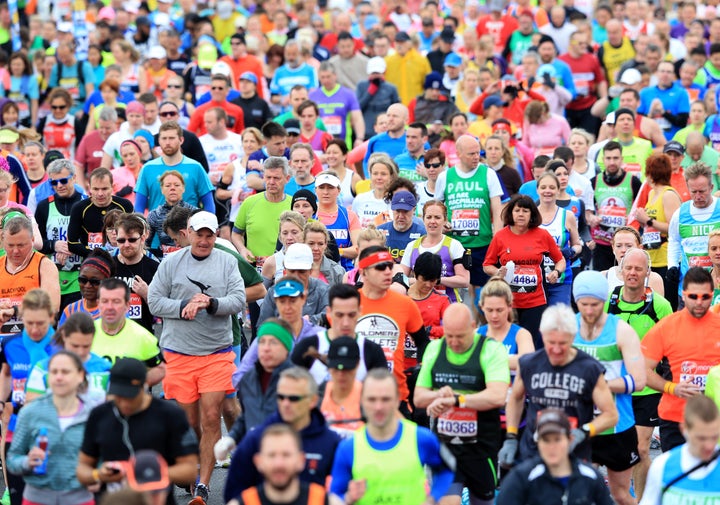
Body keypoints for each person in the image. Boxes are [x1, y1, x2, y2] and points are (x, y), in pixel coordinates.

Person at [147, 210, 245, 505]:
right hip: (179, 353)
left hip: (217, 352)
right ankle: (190, 473)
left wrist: (211, 302)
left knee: (212, 415)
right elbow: (153, 300)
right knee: (189, 422)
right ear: (187, 233)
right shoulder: (171, 262)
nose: (204, 240)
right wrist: (184, 306)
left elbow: (239, 299)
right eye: (199, 234)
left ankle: (203, 486)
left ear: (217, 236)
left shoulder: (227, 260)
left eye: (210, 235)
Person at [414, 303, 510, 505]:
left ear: (473, 327)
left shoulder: (491, 349)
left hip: (481, 448)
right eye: (449, 336)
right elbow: (419, 397)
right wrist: (438, 395)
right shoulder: (434, 348)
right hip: (447, 448)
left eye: (460, 336)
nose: (454, 342)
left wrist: (458, 400)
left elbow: (498, 396)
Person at [499, 304, 618, 465]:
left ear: (573, 337)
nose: (556, 349)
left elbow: (611, 415)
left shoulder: (590, 368)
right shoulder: (529, 363)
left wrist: (584, 432)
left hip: (573, 456)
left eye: (562, 343)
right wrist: (511, 436)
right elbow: (515, 399)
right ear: (542, 335)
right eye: (551, 342)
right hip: (533, 453)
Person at [76, 358, 199, 505]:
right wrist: (99, 474)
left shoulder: (170, 415)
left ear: (144, 386)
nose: (124, 403)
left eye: (130, 396)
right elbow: (82, 469)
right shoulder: (99, 415)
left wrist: (146, 472)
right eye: (119, 396)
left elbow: (190, 471)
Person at [572, 270, 646, 505]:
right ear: (576, 302)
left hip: (618, 426)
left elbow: (639, 380)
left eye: (595, 304)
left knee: (621, 495)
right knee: (580, 494)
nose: (590, 310)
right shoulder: (567, 329)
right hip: (582, 425)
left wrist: (599, 385)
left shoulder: (621, 331)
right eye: (584, 304)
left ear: (604, 301)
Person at [605, 247, 673, 500]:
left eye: (638, 269)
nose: (633, 273)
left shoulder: (660, 305)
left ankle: (642, 499)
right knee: (622, 449)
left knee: (642, 448)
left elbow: (672, 342)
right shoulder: (609, 301)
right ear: (621, 272)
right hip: (618, 388)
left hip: (648, 388)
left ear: (648, 272)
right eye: (629, 268)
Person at [329, 368, 454, 504]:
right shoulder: (348, 447)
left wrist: (432, 499)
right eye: (372, 399)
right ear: (362, 401)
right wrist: (348, 498)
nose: (378, 407)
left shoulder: (421, 438)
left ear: (396, 401)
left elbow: (448, 470)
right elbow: (335, 495)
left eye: (385, 399)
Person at [222, 367, 340, 502]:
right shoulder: (256, 440)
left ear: (313, 400)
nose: (285, 403)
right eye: (280, 397)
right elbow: (234, 494)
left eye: (294, 398)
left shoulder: (331, 442)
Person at [642, 267, 720, 452]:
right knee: (678, 479)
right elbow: (642, 369)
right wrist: (672, 388)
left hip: (713, 419)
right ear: (683, 295)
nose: (699, 302)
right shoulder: (667, 327)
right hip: (675, 418)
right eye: (693, 297)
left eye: (705, 297)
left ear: (712, 294)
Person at [7, 351, 95, 505]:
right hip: (37, 498)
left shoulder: (93, 413)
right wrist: (27, 462)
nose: (59, 377)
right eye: (54, 372)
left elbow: (102, 457)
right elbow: (13, 459)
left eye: (65, 372)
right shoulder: (30, 412)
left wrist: (97, 476)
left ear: (80, 375)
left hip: (79, 498)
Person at [483, 195, 566, 346]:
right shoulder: (500, 236)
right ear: (511, 213)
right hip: (507, 301)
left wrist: (556, 272)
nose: (521, 214)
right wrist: (497, 273)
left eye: (525, 211)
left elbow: (560, 260)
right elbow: (487, 265)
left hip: (535, 301)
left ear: (532, 214)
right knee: (507, 342)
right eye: (517, 210)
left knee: (530, 342)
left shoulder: (542, 235)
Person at [0, 289, 57, 505]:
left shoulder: (64, 346)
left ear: (52, 317)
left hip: (53, 430)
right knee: (18, 496)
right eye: (29, 322)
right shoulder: (12, 344)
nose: (34, 329)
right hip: (18, 428)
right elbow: (5, 372)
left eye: (41, 323)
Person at [437, 134, 503, 308]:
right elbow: (436, 208)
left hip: (483, 244)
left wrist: (498, 236)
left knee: (484, 292)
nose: (476, 157)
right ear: (458, 153)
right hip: (456, 245)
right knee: (459, 290)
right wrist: (443, 223)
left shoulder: (488, 174)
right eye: (471, 154)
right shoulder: (445, 177)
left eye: (478, 153)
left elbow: (497, 209)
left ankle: (482, 325)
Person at [497, 409, 614, 505]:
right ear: (538, 443)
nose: (552, 447)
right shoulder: (521, 477)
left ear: (570, 440)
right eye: (546, 440)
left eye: (557, 440)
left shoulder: (591, 476)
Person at [291, 284, 387, 385]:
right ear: (329, 312)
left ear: (360, 312)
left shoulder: (371, 350)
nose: (345, 323)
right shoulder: (308, 347)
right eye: (339, 315)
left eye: (351, 315)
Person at [639, 395, 720, 505]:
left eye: (714, 437)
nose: (709, 446)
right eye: (701, 438)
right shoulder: (662, 466)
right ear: (684, 429)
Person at [228, 424, 328, 505]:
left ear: (301, 460)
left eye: (286, 455)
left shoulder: (325, 502)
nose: (279, 464)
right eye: (271, 455)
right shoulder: (241, 503)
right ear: (258, 462)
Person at [34, 159, 85, 314]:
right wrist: (54, 245)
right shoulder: (44, 206)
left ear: (74, 178)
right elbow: (36, 242)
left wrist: (72, 247)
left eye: (63, 180)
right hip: (53, 276)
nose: (59, 186)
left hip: (80, 276)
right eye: (54, 183)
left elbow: (95, 240)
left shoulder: (86, 203)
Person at [26, 312, 111, 403]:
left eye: (86, 346)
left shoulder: (105, 368)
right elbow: (31, 411)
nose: (80, 352)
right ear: (64, 336)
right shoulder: (43, 368)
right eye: (75, 346)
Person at [134, 121, 215, 215]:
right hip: (157, 227)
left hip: (189, 227)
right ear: (159, 141)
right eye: (164, 138)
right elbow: (139, 206)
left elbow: (209, 204)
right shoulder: (148, 168)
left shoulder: (195, 167)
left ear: (181, 140)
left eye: (171, 138)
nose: (167, 142)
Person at [667, 162, 720, 306]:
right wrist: (671, 265)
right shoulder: (680, 213)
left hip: (717, 288)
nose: (698, 196)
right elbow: (674, 241)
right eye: (693, 192)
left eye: (702, 191)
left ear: (711, 187)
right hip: (689, 286)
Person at [0, 215, 60, 340]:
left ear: (32, 240)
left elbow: (53, 306)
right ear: (3, 241)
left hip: (34, 339)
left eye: (21, 245)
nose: (15, 251)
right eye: (10, 245)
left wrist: (15, 310)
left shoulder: (44, 265)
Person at [588, 141, 643, 272]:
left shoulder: (633, 181)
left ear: (622, 159)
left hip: (625, 245)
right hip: (601, 243)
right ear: (603, 160)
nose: (612, 162)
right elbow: (587, 211)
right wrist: (591, 218)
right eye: (608, 158)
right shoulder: (594, 181)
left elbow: (641, 209)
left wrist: (630, 219)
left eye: (615, 158)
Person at [401, 200, 469, 303]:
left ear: (445, 220)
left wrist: (436, 280)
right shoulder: (412, 246)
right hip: (419, 305)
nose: (433, 221)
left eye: (437, 217)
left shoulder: (454, 246)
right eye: (429, 217)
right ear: (423, 219)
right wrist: (421, 281)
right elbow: (401, 279)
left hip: (448, 305)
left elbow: (464, 281)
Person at [236, 318, 296, 433]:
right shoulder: (248, 379)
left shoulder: (297, 381)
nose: (266, 348)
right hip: (254, 446)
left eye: (273, 342)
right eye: (262, 342)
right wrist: (232, 438)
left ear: (286, 347)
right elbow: (246, 418)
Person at [232, 156, 292, 267]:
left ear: (287, 178)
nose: (271, 182)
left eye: (276, 178)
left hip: (285, 268)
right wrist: (242, 249)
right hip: (255, 270)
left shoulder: (293, 205)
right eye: (268, 177)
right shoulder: (249, 202)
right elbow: (236, 233)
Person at [537, 172, 583, 307]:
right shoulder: (530, 215)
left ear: (558, 190)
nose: (547, 191)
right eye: (543, 187)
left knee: (559, 323)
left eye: (552, 187)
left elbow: (577, 244)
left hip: (561, 280)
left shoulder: (567, 215)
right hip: (536, 280)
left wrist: (570, 252)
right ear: (537, 190)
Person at [67, 168, 133, 256]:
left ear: (112, 187)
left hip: (123, 258)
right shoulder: (79, 208)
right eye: (96, 189)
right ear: (89, 188)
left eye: (104, 189)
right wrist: (98, 255)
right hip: (92, 260)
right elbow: (72, 243)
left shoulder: (125, 205)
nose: (100, 194)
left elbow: (134, 235)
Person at [112, 213, 159, 334]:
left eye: (132, 240)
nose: (126, 245)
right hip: (113, 337)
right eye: (121, 240)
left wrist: (147, 294)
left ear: (142, 238)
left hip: (143, 338)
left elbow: (163, 311)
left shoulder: (155, 268)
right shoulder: (108, 267)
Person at [478, 277, 535, 375]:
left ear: (509, 307)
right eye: (489, 310)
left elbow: (528, 362)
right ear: (482, 307)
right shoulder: (475, 334)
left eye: (499, 310)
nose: (494, 316)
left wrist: (485, 361)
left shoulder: (521, 335)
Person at [58, 250, 115, 325]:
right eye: (83, 280)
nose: (87, 286)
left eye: (94, 281)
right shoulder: (70, 310)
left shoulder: (115, 312)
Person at [604, 227, 665, 295]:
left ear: (640, 248)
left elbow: (659, 305)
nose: (623, 250)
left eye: (629, 246)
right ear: (613, 248)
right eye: (618, 246)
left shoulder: (653, 279)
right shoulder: (603, 277)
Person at [377, 191, 426, 263]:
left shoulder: (423, 234)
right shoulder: (379, 232)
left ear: (414, 210)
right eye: (397, 211)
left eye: (405, 211)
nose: (401, 216)